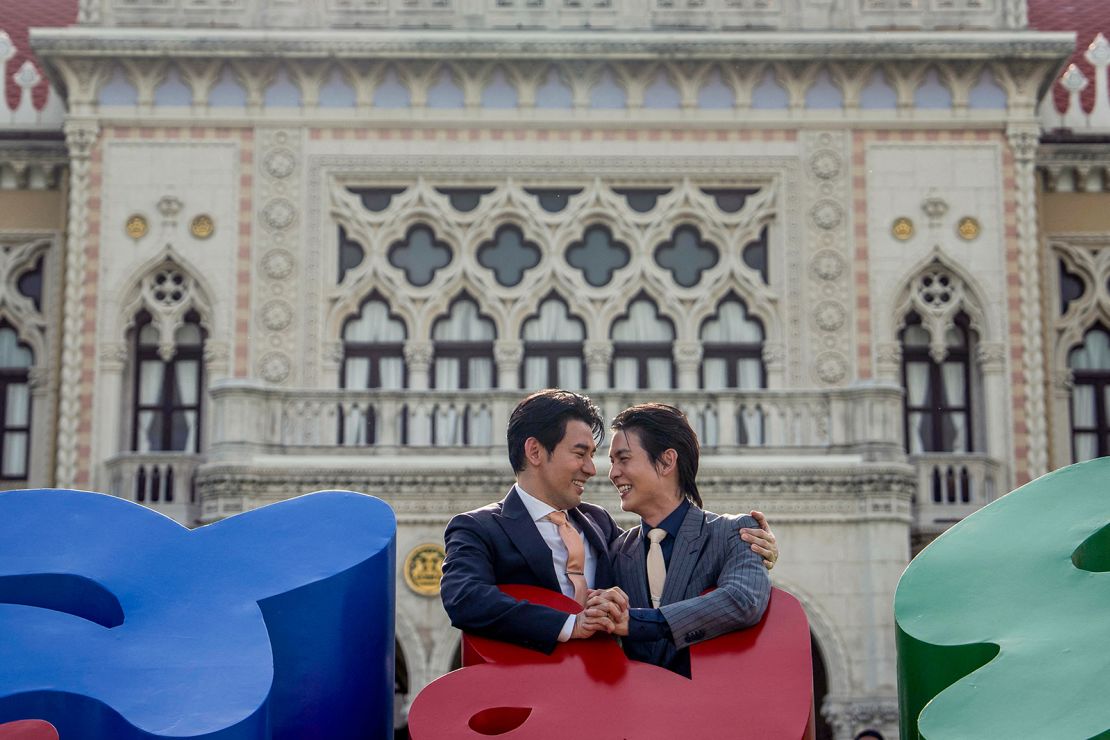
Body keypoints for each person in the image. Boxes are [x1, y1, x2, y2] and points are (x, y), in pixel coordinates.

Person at [439, 389, 778, 654]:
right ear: (535, 452)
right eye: (580, 453)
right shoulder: (478, 528)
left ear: (667, 461)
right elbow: (465, 598)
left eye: (606, 457)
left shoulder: (600, 527)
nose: (595, 470)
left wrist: (755, 549)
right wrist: (572, 624)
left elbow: (680, 552)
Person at [583, 403, 771, 675]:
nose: (613, 474)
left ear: (667, 461)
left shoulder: (735, 533)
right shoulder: (617, 552)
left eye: (623, 459)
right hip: (638, 711)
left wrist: (637, 622)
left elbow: (743, 601)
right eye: (612, 463)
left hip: (710, 710)